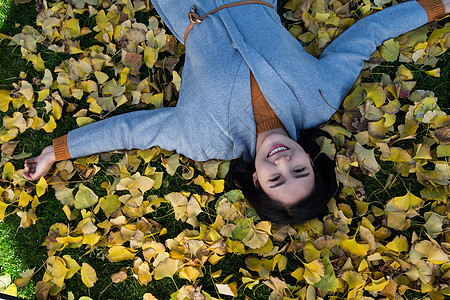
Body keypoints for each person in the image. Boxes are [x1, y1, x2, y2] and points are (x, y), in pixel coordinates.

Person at [24, 0, 448, 224]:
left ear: (257, 182)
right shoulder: (321, 97)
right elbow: (366, 35)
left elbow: (132, 131)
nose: (283, 164)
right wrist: (437, 5)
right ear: (311, 159)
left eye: (275, 179)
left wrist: (56, 152)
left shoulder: (202, 137)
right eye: (300, 171)